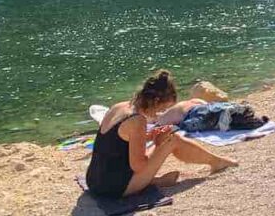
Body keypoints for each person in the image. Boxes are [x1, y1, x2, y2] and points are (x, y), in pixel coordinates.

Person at [85, 70, 238, 198]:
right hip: (114, 189)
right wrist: (159, 144)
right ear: (156, 101)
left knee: (166, 136)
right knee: (173, 139)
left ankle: (157, 180)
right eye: (161, 109)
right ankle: (217, 162)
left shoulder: (119, 107)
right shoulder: (136, 121)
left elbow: (116, 143)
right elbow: (138, 166)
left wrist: (150, 136)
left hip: (94, 180)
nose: (160, 114)